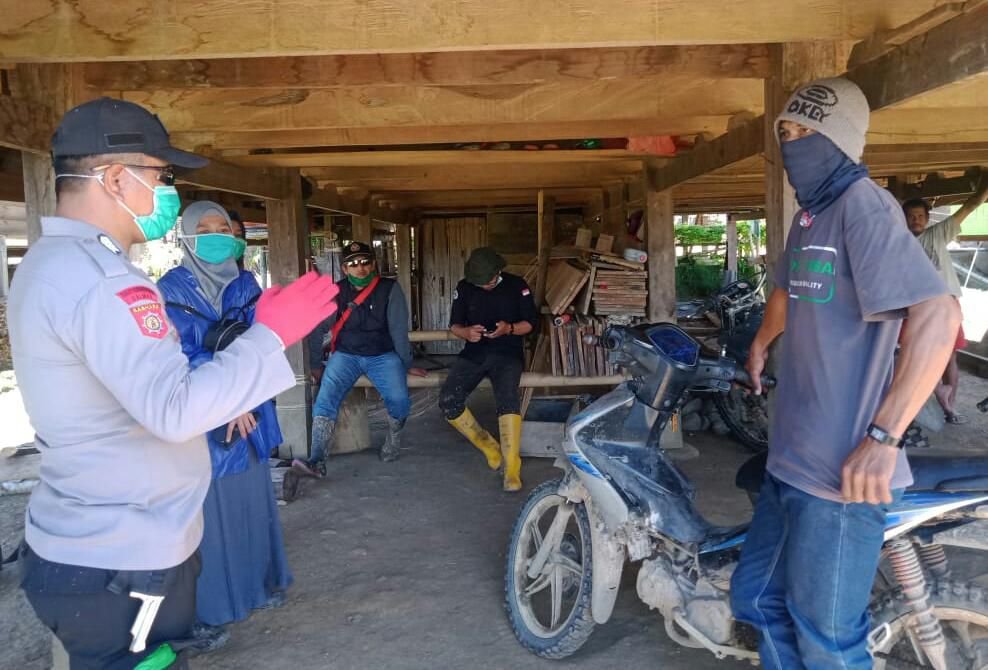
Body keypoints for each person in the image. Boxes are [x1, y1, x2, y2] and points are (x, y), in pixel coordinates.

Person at [8, 97, 338, 669]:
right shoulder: (106, 282)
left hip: (94, 546)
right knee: (145, 660)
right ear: (115, 178)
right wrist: (270, 336)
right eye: (160, 176)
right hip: (120, 564)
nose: (167, 191)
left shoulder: (50, 263)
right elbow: (175, 410)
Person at [729, 78, 959, 669]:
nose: (793, 143)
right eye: (786, 132)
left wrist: (884, 439)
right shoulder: (811, 216)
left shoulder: (864, 206)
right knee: (757, 599)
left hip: (843, 477)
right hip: (791, 461)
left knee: (827, 637)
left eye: (807, 132)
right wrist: (760, 343)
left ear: (844, 140)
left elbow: (938, 313)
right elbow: (787, 290)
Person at [157, 202, 291, 647]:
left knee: (250, 504)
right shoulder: (167, 291)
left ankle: (257, 588)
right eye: (204, 229)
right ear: (186, 237)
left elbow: (262, 342)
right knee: (208, 519)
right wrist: (227, 396)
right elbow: (173, 357)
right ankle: (209, 609)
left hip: (249, 410)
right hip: (202, 415)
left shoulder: (246, 284)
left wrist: (242, 393)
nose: (216, 236)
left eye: (223, 229)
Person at [293, 241, 425, 476]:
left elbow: (398, 331)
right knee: (325, 399)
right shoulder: (336, 292)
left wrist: (406, 364)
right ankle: (316, 460)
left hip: (382, 355)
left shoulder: (390, 289)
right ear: (344, 269)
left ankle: (394, 439)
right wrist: (315, 364)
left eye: (365, 262)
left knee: (399, 400)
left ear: (373, 264)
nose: (360, 268)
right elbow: (317, 328)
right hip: (346, 355)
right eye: (353, 264)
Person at [439, 247, 537, 492]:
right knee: (448, 400)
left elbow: (530, 324)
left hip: (507, 353)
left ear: (498, 271)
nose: (485, 285)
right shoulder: (464, 287)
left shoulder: (517, 285)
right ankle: (489, 447)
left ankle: (512, 467)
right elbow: (454, 325)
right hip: (474, 353)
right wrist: (466, 333)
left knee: (508, 400)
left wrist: (509, 329)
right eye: (480, 282)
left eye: (489, 280)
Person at [902, 176, 988, 424]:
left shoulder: (937, 233)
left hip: (946, 305)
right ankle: (932, 398)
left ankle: (950, 408)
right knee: (914, 355)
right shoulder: (898, 243)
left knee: (950, 357)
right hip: (915, 307)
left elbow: (971, 206)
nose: (916, 220)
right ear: (903, 219)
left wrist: (984, 186)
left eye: (920, 216)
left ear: (927, 219)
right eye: (911, 216)